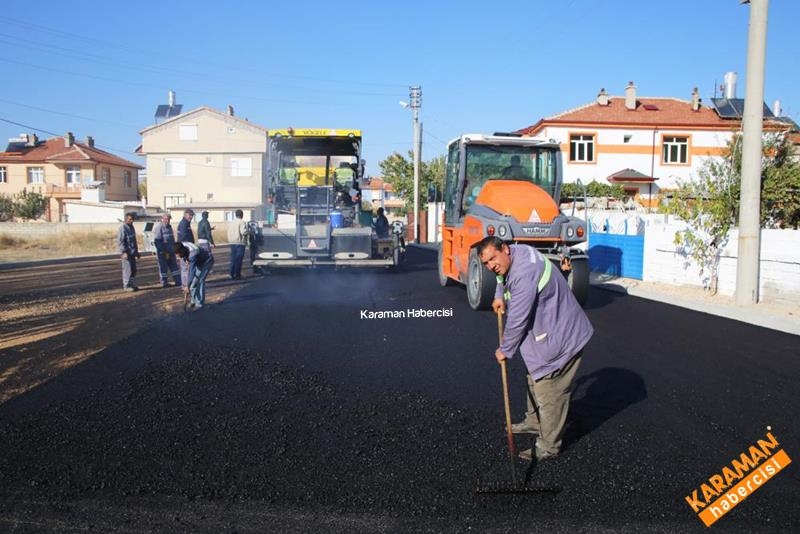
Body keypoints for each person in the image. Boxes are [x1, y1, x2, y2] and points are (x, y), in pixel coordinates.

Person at [477, 236, 594, 462]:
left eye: (493, 259)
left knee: (549, 390)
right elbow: (501, 274)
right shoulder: (517, 252)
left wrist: (505, 349)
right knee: (535, 374)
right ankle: (533, 421)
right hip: (549, 326)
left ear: (505, 249)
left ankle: (548, 446)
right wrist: (499, 294)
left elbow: (518, 319)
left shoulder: (523, 274)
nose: (491, 266)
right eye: (486, 263)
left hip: (562, 336)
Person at [175, 241, 214, 309]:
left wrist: (187, 285)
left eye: (177, 254)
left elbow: (192, 271)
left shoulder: (193, 254)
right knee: (193, 284)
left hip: (207, 261)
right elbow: (184, 270)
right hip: (199, 262)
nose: (177, 256)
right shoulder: (182, 246)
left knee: (200, 281)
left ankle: (199, 304)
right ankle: (193, 301)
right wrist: (185, 285)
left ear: (181, 251)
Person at [152, 213, 181, 287]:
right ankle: (164, 282)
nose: (167, 221)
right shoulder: (159, 228)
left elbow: (172, 239)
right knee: (163, 268)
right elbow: (157, 241)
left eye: (168, 219)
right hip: (163, 253)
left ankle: (178, 281)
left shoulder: (169, 227)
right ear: (162, 219)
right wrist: (162, 251)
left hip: (170, 252)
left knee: (174, 267)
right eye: (165, 219)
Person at [117, 212, 140, 292]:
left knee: (133, 270)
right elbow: (121, 241)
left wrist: (137, 252)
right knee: (127, 270)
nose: (132, 221)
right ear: (126, 219)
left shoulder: (132, 227)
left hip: (132, 253)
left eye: (132, 219)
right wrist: (123, 252)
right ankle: (126, 285)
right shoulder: (122, 228)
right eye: (130, 219)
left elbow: (134, 241)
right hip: (127, 253)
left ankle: (132, 284)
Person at [227, 209, 248, 279]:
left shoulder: (231, 222)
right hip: (239, 243)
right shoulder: (242, 222)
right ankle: (237, 274)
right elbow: (243, 232)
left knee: (233, 259)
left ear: (235, 215)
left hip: (232, 242)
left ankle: (231, 274)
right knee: (239, 259)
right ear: (242, 215)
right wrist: (249, 232)